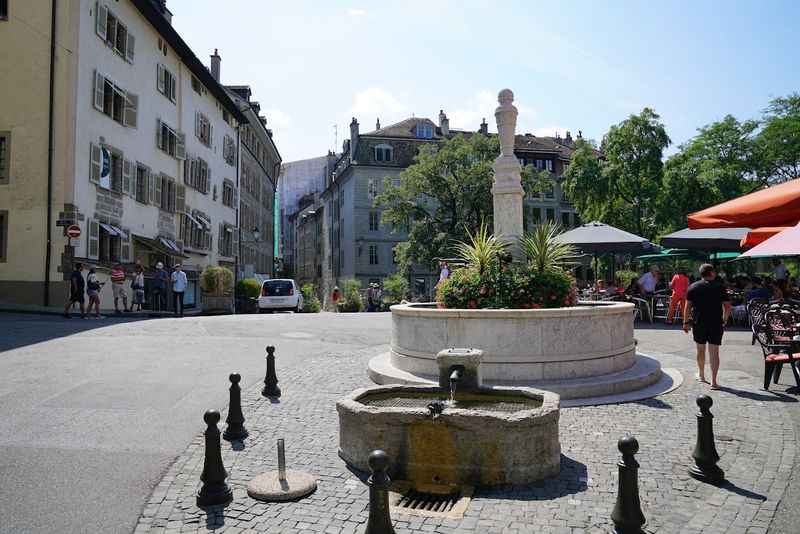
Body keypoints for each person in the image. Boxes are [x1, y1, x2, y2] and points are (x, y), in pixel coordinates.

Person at [683, 264, 732, 390]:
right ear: (711, 273)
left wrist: (686, 322)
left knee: (700, 350)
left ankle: (701, 375)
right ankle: (714, 381)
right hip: (716, 322)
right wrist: (725, 319)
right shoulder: (720, 287)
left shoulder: (693, 287)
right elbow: (727, 306)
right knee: (714, 352)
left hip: (699, 322)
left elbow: (687, 307)